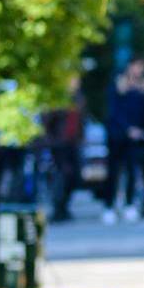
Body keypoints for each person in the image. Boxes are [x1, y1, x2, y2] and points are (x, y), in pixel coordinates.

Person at [103, 60, 144, 224]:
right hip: (117, 137)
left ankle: (129, 204)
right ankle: (109, 206)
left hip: (135, 140)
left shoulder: (142, 89)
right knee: (113, 173)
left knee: (132, 171)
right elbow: (114, 113)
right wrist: (127, 129)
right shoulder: (119, 85)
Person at [40, 78, 86, 222]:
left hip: (73, 143)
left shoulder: (79, 98)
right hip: (59, 144)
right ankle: (58, 207)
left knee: (74, 176)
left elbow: (81, 120)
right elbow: (48, 120)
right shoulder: (58, 99)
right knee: (61, 176)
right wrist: (50, 140)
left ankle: (64, 205)